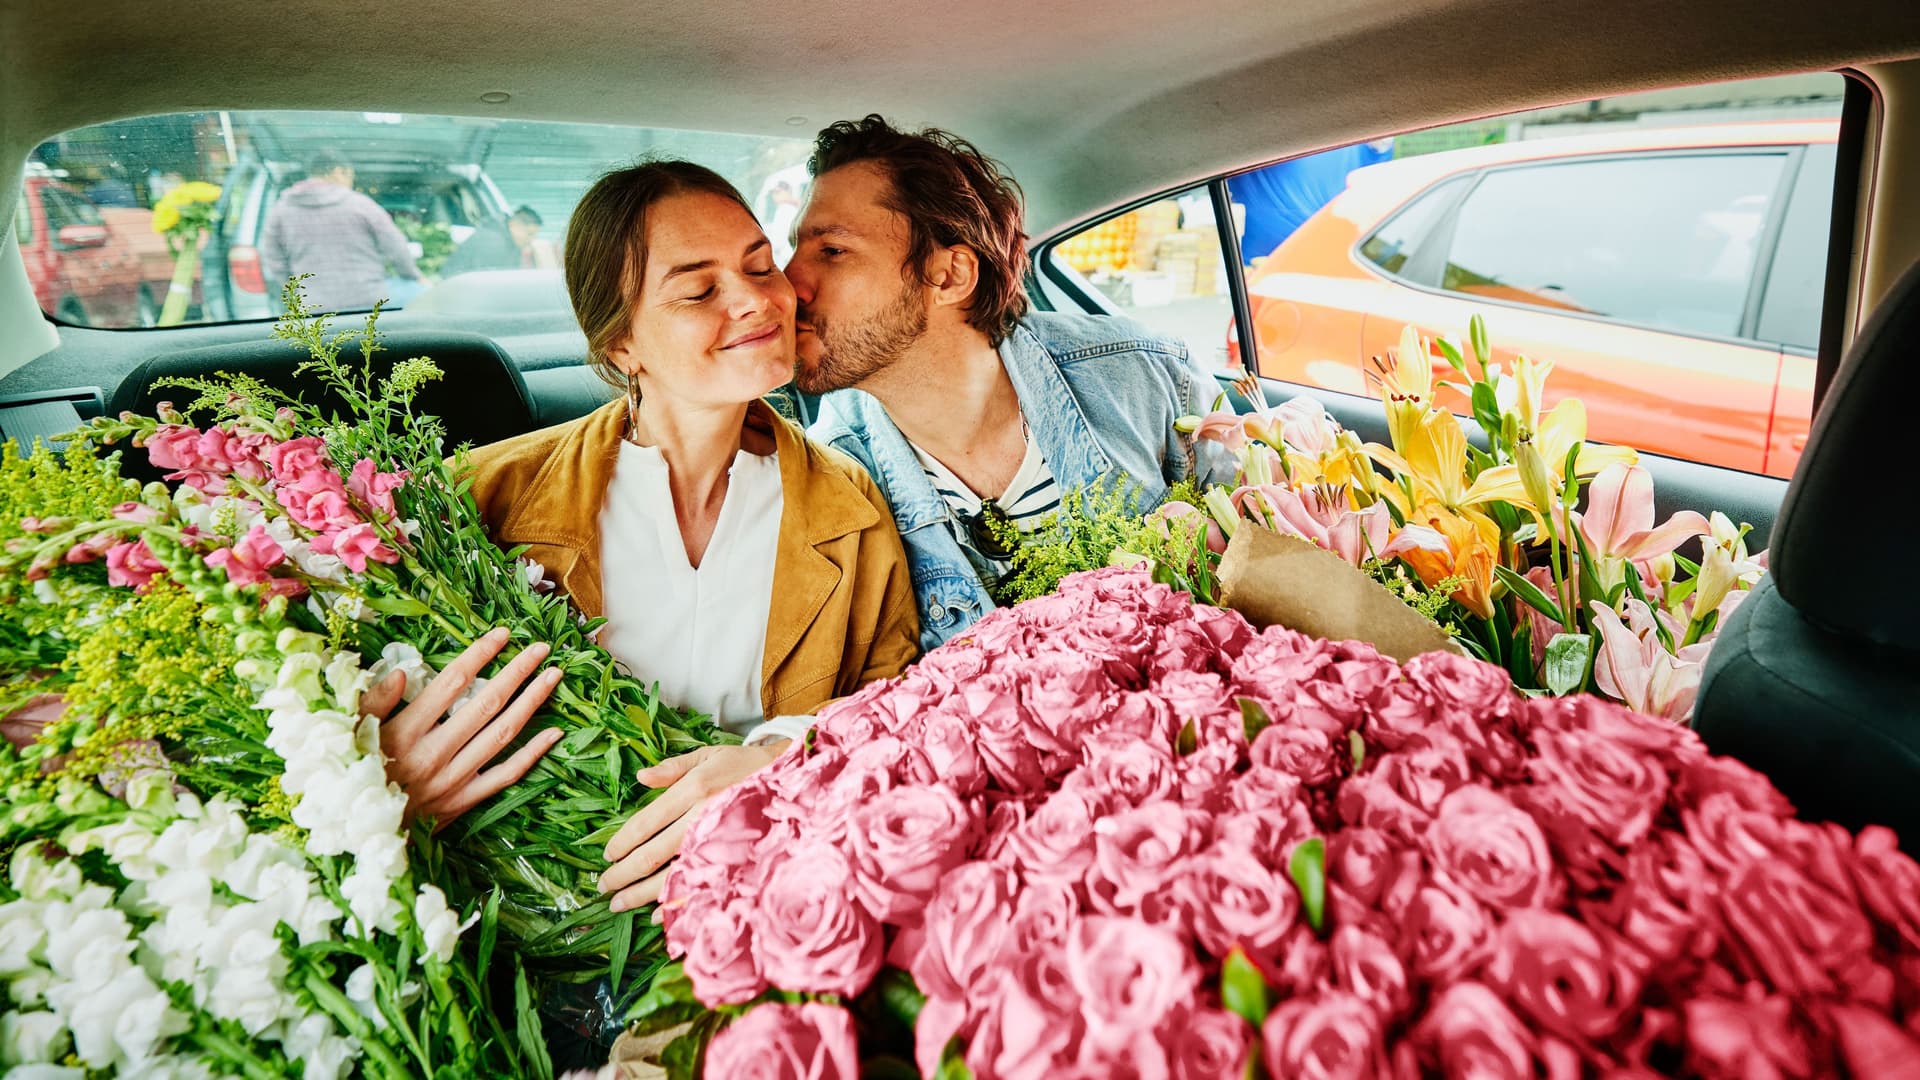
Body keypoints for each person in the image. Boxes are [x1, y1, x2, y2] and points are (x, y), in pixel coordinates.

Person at [369, 159, 918, 912]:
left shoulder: (850, 505)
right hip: (520, 913)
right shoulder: (476, 497)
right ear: (622, 345)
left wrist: (783, 754)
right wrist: (377, 779)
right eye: (698, 289)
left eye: (760, 265)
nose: (757, 300)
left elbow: (899, 704)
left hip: (763, 896)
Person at [785, 115, 1229, 651]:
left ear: (949, 275)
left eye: (831, 251)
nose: (787, 288)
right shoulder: (835, 475)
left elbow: (1268, 565)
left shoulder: (1143, 375)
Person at [259, 150, 422, 313]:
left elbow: (274, 261)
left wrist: (299, 292)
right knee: (421, 293)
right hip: (371, 299)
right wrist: (414, 276)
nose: (350, 183)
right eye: (350, 176)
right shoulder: (361, 204)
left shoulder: (280, 211)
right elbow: (396, 247)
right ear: (338, 171)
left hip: (313, 306)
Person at [440, 204, 545, 276]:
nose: (531, 240)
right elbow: (485, 283)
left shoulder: (513, 243)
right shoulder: (493, 242)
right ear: (513, 225)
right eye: (529, 234)